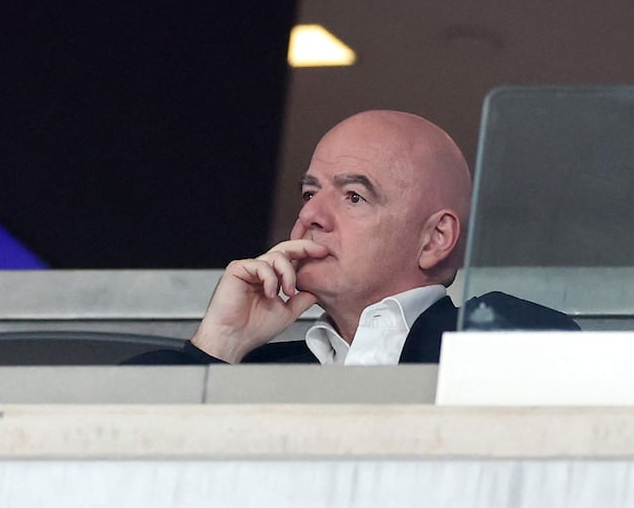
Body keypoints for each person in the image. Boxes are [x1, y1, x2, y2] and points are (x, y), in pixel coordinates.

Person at [124, 110, 577, 366]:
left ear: (435, 238)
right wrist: (220, 343)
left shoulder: (499, 340)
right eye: (309, 192)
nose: (310, 215)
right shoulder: (250, 371)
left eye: (354, 196)